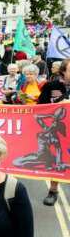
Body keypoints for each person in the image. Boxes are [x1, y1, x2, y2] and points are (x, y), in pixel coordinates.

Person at [38, 58, 70, 206]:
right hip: (57, 131)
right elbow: (40, 107)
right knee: (57, 160)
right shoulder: (51, 86)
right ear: (63, 71)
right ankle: (53, 190)